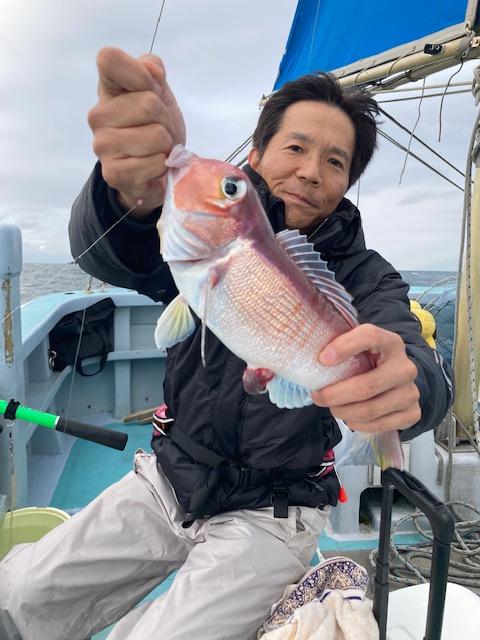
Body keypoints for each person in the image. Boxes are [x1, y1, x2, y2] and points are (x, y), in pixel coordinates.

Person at [0, 47, 453, 640]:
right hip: (168, 475)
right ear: (257, 155)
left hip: (278, 509)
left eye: (335, 161)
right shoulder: (204, 238)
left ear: (347, 182)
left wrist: (412, 387)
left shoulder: (368, 275)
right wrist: (127, 196)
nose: (311, 171)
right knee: (18, 597)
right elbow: (110, 250)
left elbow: (412, 355)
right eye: (295, 148)